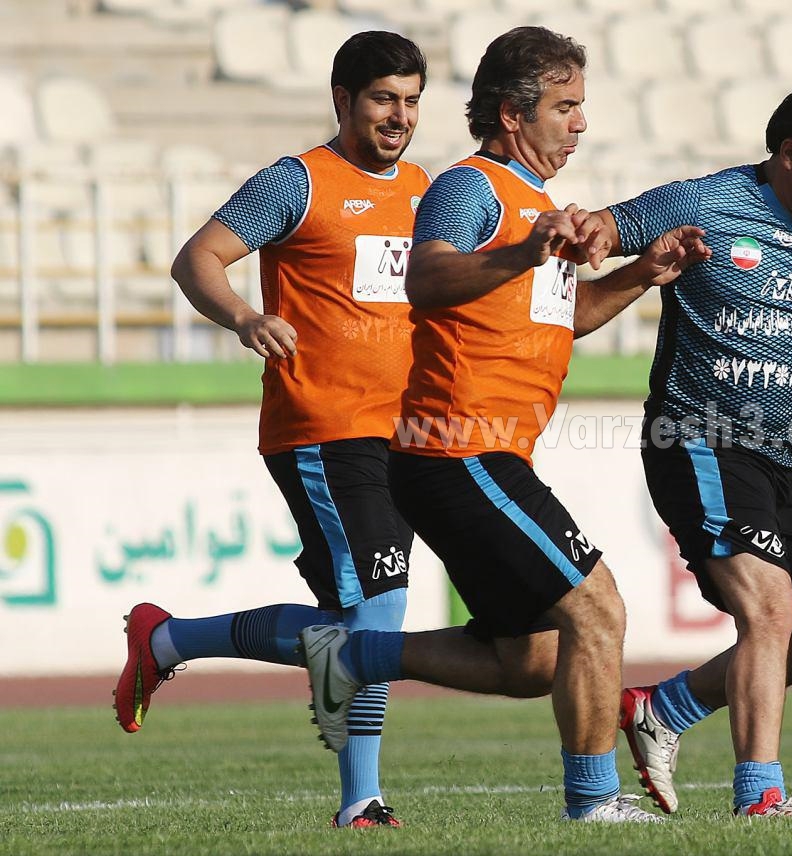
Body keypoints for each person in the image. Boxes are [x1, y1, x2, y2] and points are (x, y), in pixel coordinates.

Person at [296, 26, 708, 824]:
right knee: (598, 609)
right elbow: (426, 277)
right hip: (458, 448)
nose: (580, 123)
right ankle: (594, 803)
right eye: (565, 106)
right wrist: (521, 253)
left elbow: (563, 317)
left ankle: (351, 656)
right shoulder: (472, 186)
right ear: (514, 115)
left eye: (580, 106)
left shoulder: (538, 206)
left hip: (484, 453)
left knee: (531, 662)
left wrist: (643, 273)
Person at [112, 31, 431, 829]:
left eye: (412, 100)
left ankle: (166, 641)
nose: (400, 116)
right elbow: (198, 259)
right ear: (343, 100)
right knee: (383, 609)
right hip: (323, 425)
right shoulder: (298, 182)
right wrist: (245, 316)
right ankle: (362, 801)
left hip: (401, 433)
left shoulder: (424, 187)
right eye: (384, 99)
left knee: (354, 625)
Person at [593, 76, 792, 817]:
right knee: (769, 606)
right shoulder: (702, 203)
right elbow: (604, 231)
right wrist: (578, 231)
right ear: (791, 154)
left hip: (778, 454)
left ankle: (662, 709)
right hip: (694, 438)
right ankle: (760, 795)